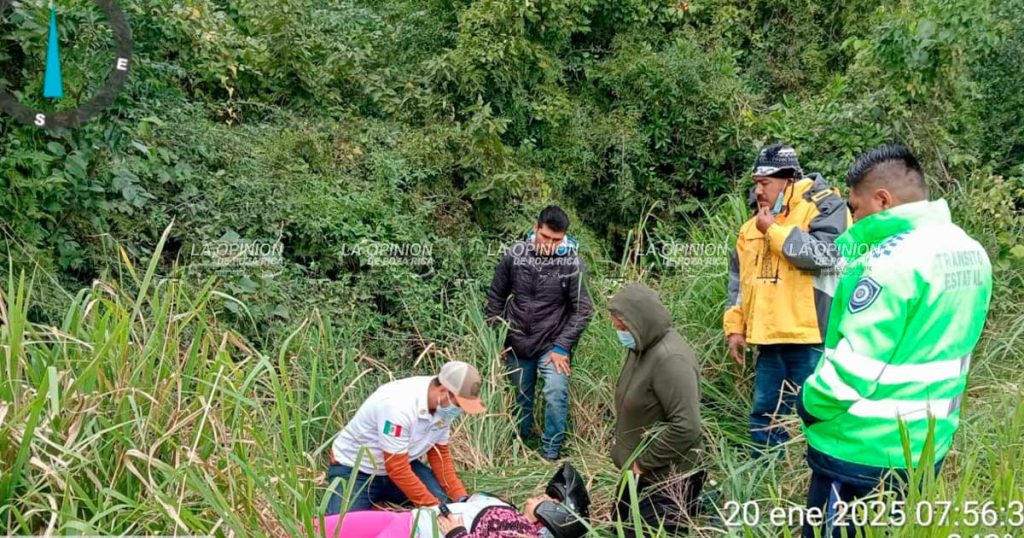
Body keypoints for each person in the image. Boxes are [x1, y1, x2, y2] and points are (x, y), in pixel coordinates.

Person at [796, 144, 992, 538]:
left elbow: (854, 371)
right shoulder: (970, 251)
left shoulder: (888, 262)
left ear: (882, 200)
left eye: (855, 208)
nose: (853, 220)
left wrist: (808, 403)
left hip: (861, 449)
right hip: (927, 443)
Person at [723, 143, 850, 452]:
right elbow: (739, 281)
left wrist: (774, 232)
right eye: (756, 183)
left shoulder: (826, 207)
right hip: (767, 340)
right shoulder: (752, 224)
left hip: (812, 338)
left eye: (764, 183)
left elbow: (826, 255)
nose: (758, 191)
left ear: (789, 178)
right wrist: (735, 328)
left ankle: (809, 479)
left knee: (814, 415)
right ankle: (765, 480)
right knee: (765, 417)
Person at [486, 205, 595, 461]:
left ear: (565, 236)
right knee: (520, 399)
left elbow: (583, 310)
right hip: (516, 340)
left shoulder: (572, 262)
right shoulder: (514, 255)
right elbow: (495, 298)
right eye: (545, 237)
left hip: (552, 343)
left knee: (556, 393)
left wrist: (562, 346)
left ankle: (550, 452)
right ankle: (519, 448)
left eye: (557, 240)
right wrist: (498, 337)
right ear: (536, 228)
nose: (550, 244)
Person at [324, 361, 486, 515]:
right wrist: (434, 509)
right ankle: (374, 506)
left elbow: (439, 455)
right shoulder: (397, 405)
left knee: (449, 504)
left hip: (402, 465)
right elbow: (397, 468)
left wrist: (462, 499)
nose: (459, 411)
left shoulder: (442, 404)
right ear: (444, 391)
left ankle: (378, 505)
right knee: (340, 527)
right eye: (459, 405)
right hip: (357, 470)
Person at [608, 283, 705, 536]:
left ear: (640, 321)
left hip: (667, 481)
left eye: (621, 326)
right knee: (619, 528)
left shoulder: (670, 360)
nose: (617, 331)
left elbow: (687, 427)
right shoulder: (640, 346)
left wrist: (642, 462)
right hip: (638, 475)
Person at [314, 463, 591, 538]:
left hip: (415, 532)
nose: (541, 495)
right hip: (408, 520)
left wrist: (457, 533)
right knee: (320, 527)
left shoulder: (522, 533)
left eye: (549, 498)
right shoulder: (512, 518)